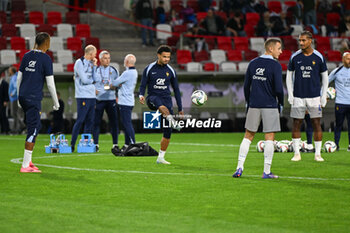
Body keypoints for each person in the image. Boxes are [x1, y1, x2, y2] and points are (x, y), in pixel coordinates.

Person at [232, 38, 283, 179]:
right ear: (270, 49)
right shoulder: (275, 65)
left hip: (254, 104)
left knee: (248, 136)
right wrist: (281, 103)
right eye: (279, 48)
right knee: (269, 138)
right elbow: (279, 88)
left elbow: (246, 86)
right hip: (270, 105)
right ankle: (266, 172)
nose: (281, 51)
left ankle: (239, 168)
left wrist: (249, 101)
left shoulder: (253, 63)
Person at [17, 32, 60, 172]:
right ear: (46, 43)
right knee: (34, 128)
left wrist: (19, 97)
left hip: (23, 96)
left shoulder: (26, 56)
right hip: (33, 98)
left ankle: (28, 162)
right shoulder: (46, 59)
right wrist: (56, 102)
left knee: (33, 125)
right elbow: (51, 84)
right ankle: (25, 165)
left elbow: (19, 78)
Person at [286, 31, 328, 162]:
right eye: (300, 40)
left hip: (315, 96)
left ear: (310, 41)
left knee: (316, 123)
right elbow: (288, 76)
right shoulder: (295, 57)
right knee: (296, 123)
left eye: (303, 40)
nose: (301, 43)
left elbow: (325, 77)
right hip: (298, 96)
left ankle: (317, 154)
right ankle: (297, 153)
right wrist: (290, 94)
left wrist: (323, 95)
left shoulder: (319, 57)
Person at [139, 45, 183, 164]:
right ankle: (172, 121)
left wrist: (180, 108)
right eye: (164, 57)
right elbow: (143, 84)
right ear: (158, 55)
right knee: (160, 105)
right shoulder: (149, 68)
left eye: (168, 57)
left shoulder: (171, 71)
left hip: (166, 99)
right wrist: (141, 95)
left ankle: (161, 157)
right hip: (152, 99)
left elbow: (177, 90)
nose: (166, 59)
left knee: (167, 131)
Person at [71, 45, 100, 152]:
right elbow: (84, 80)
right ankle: (72, 144)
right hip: (82, 95)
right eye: (95, 54)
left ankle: (85, 145)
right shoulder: (79, 62)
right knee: (80, 120)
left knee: (90, 121)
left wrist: (95, 66)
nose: (95, 56)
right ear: (91, 54)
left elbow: (96, 78)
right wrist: (91, 80)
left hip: (92, 96)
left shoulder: (91, 63)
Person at [93, 50, 119, 152]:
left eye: (108, 58)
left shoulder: (114, 70)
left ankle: (115, 144)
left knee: (114, 122)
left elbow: (117, 83)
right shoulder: (95, 70)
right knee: (96, 123)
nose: (107, 60)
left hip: (111, 99)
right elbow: (92, 84)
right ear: (100, 59)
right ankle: (95, 144)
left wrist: (114, 87)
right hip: (99, 100)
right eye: (105, 58)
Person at [111, 54, 138, 151]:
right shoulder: (134, 72)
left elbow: (114, 83)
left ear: (126, 62)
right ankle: (127, 144)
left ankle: (133, 143)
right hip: (129, 101)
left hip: (125, 102)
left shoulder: (127, 73)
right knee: (127, 123)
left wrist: (117, 83)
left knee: (126, 123)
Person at [328, 52, 350, 151]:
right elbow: (326, 81)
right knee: (338, 125)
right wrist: (323, 95)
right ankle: (336, 145)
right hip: (340, 103)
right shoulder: (337, 71)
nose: (349, 61)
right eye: (348, 59)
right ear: (343, 60)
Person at [8, 66, 24, 134]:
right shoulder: (14, 77)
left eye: (9, 70)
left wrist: (13, 93)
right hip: (14, 98)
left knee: (14, 113)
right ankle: (20, 127)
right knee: (15, 114)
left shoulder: (14, 77)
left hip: (14, 98)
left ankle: (17, 128)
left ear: (12, 71)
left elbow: (16, 86)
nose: (9, 71)